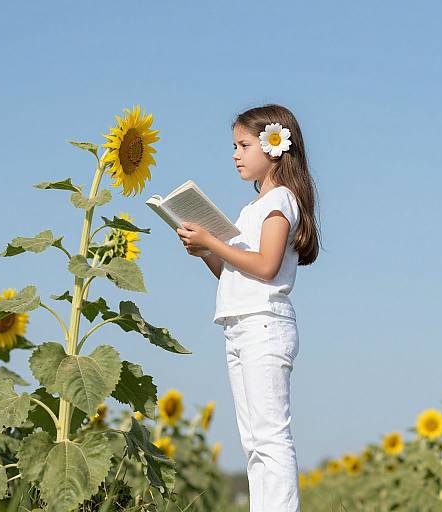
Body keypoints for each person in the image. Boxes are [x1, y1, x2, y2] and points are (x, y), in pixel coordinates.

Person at [176, 103, 321, 512]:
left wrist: (213, 242)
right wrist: (205, 251)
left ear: (274, 146)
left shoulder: (280, 202)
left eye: (243, 145)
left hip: (264, 326)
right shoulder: (251, 210)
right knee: (254, 440)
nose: (235, 154)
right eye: (234, 146)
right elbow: (236, 275)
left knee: (270, 438)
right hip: (241, 326)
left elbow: (265, 265)